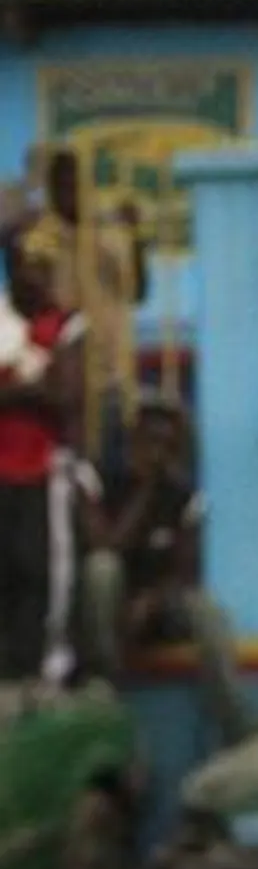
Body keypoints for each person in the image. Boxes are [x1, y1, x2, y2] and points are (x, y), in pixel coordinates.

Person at [74, 398, 258, 746]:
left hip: (154, 609)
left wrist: (153, 601)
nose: (159, 452)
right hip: (106, 610)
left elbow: (187, 573)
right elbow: (107, 545)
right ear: (134, 440)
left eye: (168, 444)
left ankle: (235, 720)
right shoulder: (99, 478)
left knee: (207, 608)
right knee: (102, 569)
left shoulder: (184, 495)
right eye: (151, 441)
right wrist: (146, 489)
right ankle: (103, 686)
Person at [12, 146, 150, 467]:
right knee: (68, 469)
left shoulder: (111, 231)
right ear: (51, 189)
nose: (70, 193)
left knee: (111, 468)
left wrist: (136, 239)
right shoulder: (39, 239)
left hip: (111, 375)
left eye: (77, 184)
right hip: (62, 380)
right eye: (62, 185)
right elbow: (27, 302)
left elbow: (139, 290)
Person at [0, 245, 86, 683]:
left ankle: (42, 670)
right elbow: (46, 394)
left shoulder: (65, 324)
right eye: (25, 266)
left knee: (41, 571)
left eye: (42, 268)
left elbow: (66, 399)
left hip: (42, 469)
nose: (34, 277)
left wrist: (17, 391)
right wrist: (31, 390)